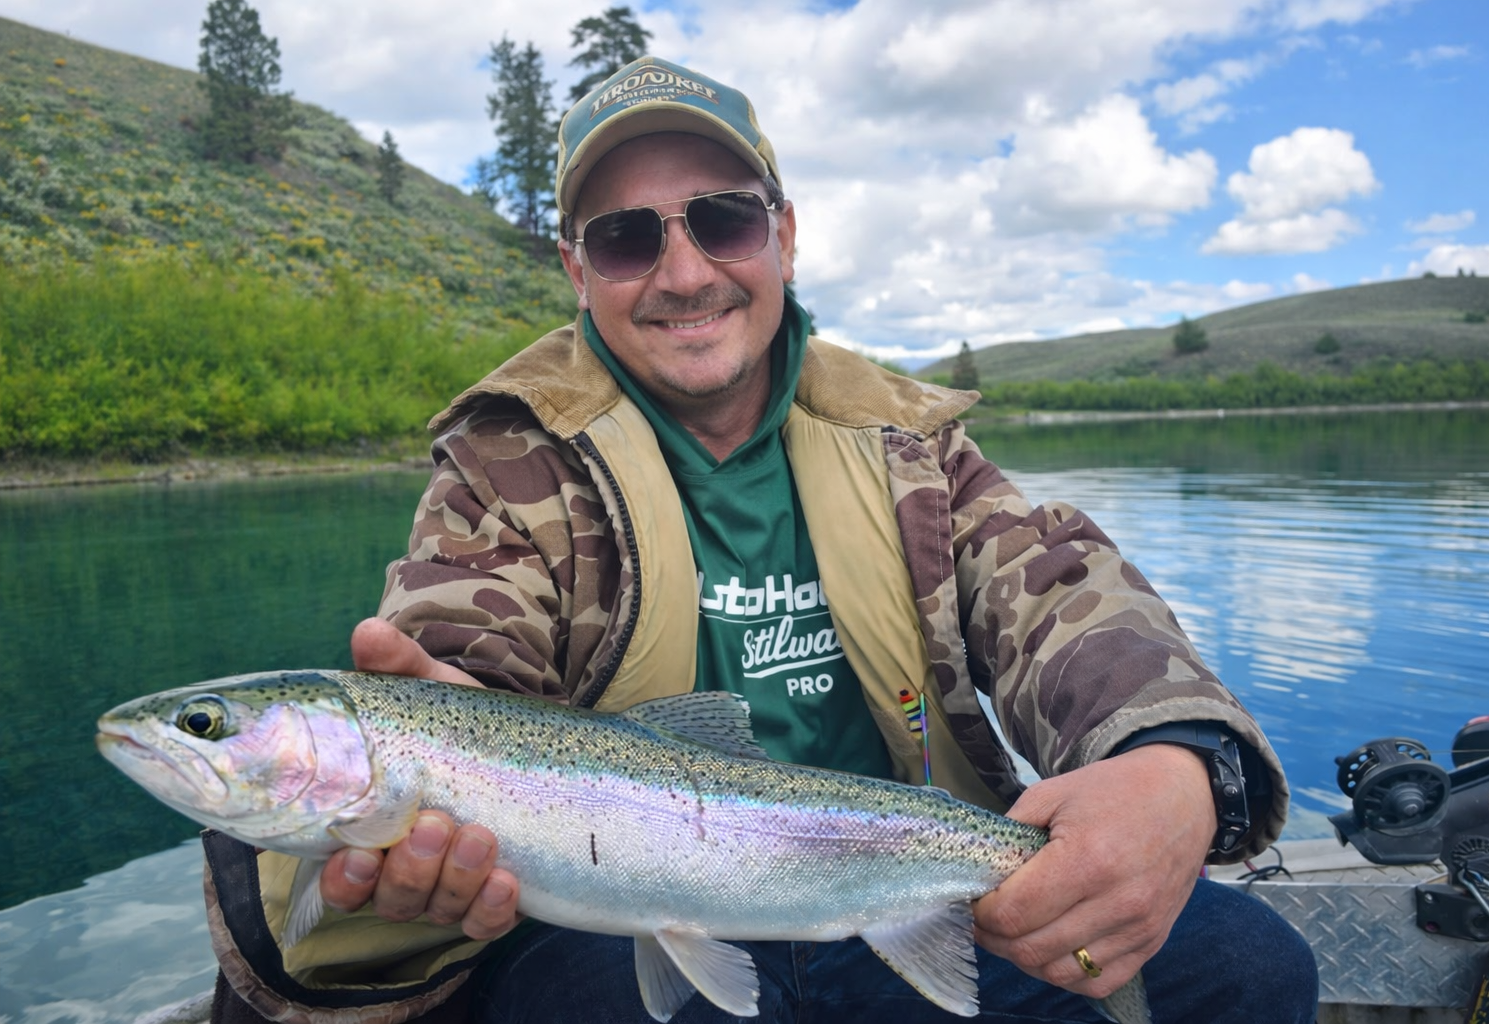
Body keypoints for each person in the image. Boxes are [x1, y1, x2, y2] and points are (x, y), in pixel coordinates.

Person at [203, 56, 1317, 1024]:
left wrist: (1175, 758)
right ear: (578, 272)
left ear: (783, 234)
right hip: (613, 927)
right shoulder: (504, 466)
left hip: (905, 885)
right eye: (626, 238)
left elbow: (1068, 600)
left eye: (725, 220)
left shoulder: (913, 446)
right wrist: (444, 766)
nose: (686, 273)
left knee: (1250, 971)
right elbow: (458, 659)